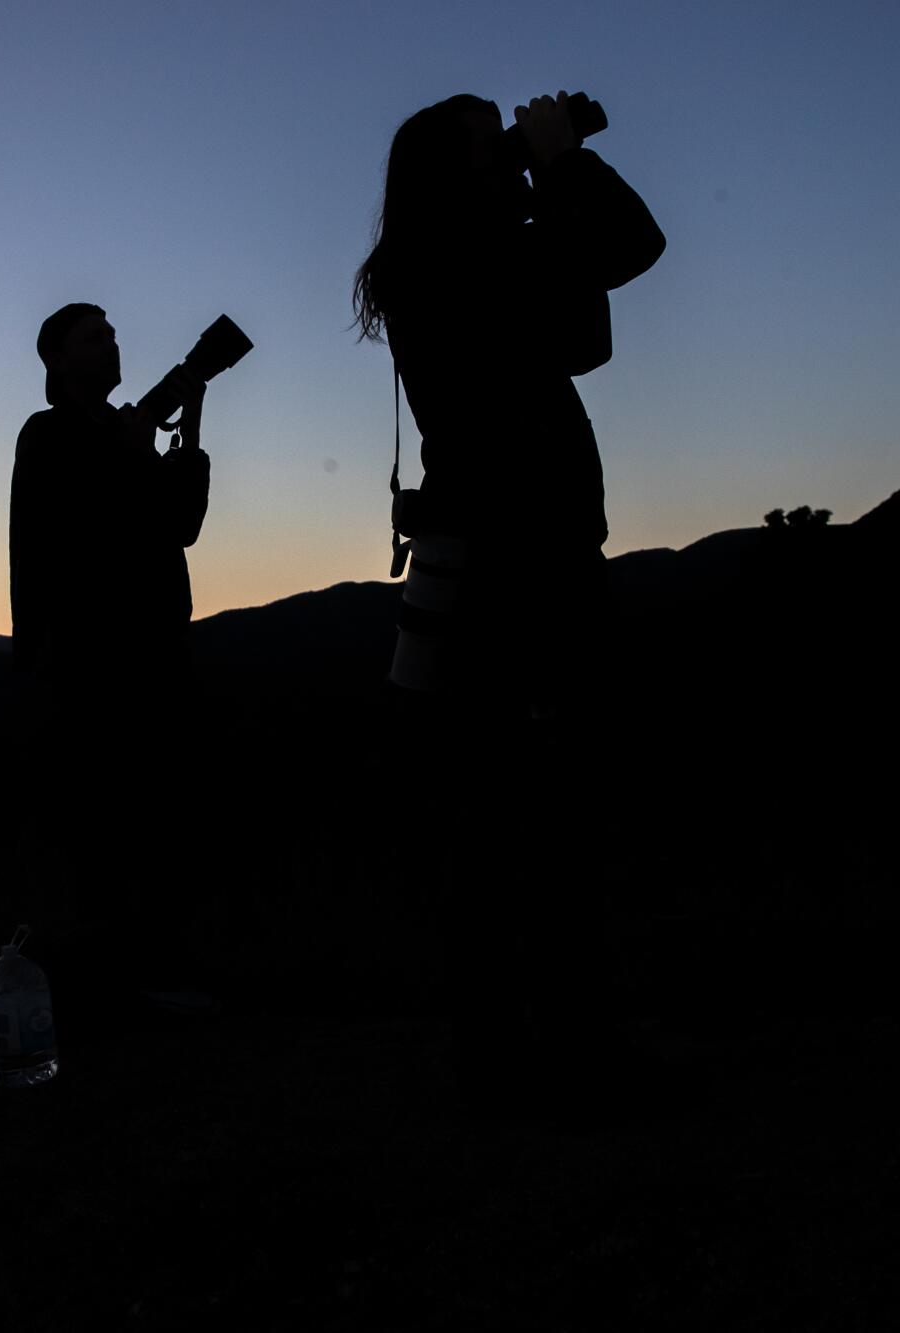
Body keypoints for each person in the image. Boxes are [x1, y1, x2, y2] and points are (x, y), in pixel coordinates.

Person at [353, 92, 666, 1113]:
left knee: (519, 822)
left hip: (536, 558)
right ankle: (552, 1055)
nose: (509, 141)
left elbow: (584, 336)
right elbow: (632, 242)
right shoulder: (450, 263)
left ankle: (523, 1052)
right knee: (523, 823)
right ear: (455, 170)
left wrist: (539, 176)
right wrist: (560, 164)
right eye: (489, 135)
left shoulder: (473, 253)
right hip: (513, 574)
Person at [8, 301, 216, 1036]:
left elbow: (179, 524)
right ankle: (120, 984)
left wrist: (185, 429)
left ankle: (151, 970)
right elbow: (77, 538)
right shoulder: (51, 435)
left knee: (163, 816)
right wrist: (135, 453)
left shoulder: (117, 433)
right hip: (95, 665)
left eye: (113, 333)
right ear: (56, 361)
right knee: (111, 824)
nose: (111, 343)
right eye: (94, 336)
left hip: (155, 650)